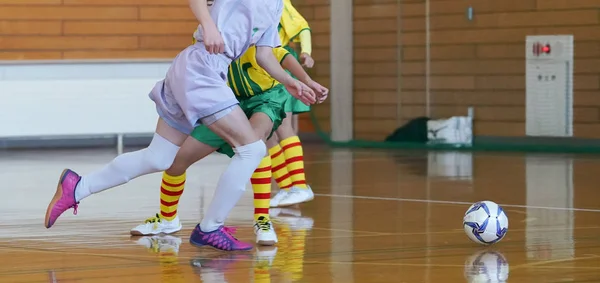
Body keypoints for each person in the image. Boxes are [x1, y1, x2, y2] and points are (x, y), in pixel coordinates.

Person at [44, 0, 319, 252]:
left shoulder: (275, 7)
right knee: (252, 150)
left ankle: (78, 187)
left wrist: (291, 81)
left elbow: (265, 56)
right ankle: (210, 227)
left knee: (158, 157)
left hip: (197, 70)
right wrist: (209, 25)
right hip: (202, 69)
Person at [130, 44, 328, 247]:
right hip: (226, 101)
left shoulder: (255, 23)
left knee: (255, 144)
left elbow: (283, 55)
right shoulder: (209, 34)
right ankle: (167, 218)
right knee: (178, 161)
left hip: (265, 99)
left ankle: (262, 219)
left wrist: (307, 80)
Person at [268, 0, 317, 208]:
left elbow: (302, 26)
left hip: (278, 63)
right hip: (256, 68)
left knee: (282, 125)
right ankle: (286, 187)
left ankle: (299, 185)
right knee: (264, 133)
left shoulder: (277, 3)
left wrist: (306, 51)